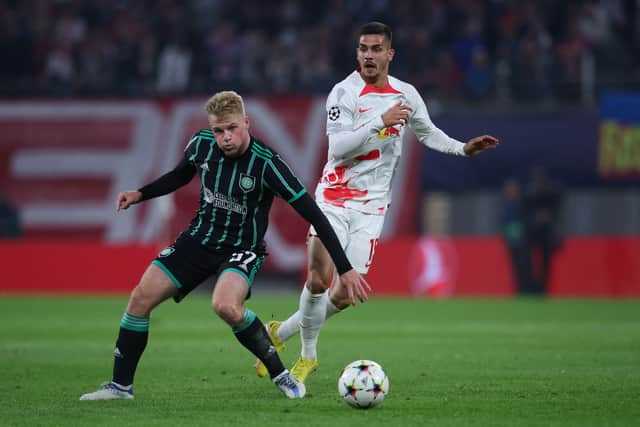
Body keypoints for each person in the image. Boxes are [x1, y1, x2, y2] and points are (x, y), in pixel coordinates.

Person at [79, 90, 369, 401]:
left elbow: (315, 215)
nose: (225, 137)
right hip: (199, 239)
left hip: (242, 249)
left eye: (232, 128)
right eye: (219, 130)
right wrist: (141, 194)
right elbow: (179, 176)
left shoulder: (268, 164)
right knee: (139, 299)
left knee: (226, 306)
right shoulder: (201, 144)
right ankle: (121, 387)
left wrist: (345, 268)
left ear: (247, 122)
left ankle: (280, 374)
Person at [254, 21, 499, 384]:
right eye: (363, 49)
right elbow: (337, 148)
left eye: (375, 49)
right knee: (318, 279)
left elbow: (428, 132)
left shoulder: (407, 94)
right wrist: (378, 123)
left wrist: (462, 149)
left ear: (389, 54)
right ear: (357, 53)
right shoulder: (343, 92)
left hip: (371, 209)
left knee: (344, 295)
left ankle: (281, 333)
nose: (368, 56)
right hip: (333, 199)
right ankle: (308, 357)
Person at [522, 168, 563, 294]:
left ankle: (543, 288)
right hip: (532, 235)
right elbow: (524, 214)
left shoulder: (550, 195)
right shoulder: (529, 195)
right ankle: (531, 287)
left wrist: (547, 218)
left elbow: (556, 211)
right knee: (529, 262)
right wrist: (535, 219)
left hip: (545, 235)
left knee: (545, 264)